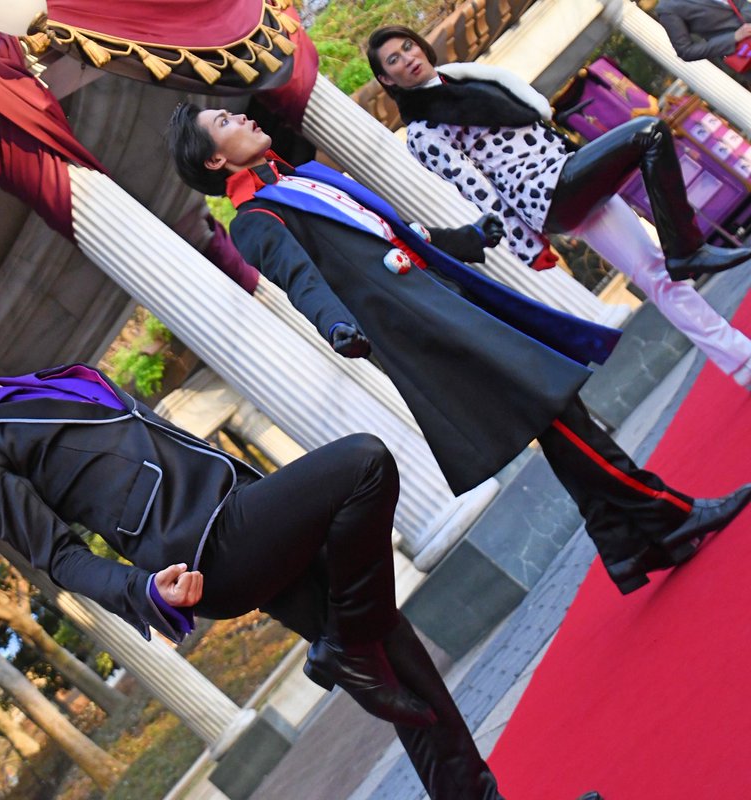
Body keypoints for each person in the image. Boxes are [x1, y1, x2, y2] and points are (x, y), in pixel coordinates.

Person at [0, 284, 524, 798]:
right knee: (364, 461)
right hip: (207, 552)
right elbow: (59, 558)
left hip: (240, 506)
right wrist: (141, 590)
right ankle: (346, 643)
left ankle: (422, 730)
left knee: (402, 671)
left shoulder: (44, 383)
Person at [166, 101, 751, 598]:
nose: (241, 117)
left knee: (552, 413)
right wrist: (336, 327)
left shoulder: (301, 177)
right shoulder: (255, 220)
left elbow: (392, 234)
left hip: (448, 304)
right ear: (215, 160)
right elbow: (304, 283)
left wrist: (464, 241)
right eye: (224, 122)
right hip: (422, 334)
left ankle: (626, 543)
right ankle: (666, 513)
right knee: (552, 410)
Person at [364, 25, 751, 389]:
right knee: (649, 133)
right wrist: (525, 244)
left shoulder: (464, 78)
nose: (407, 58)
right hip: (545, 193)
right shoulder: (421, 132)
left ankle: (740, 359)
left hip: (568, 170)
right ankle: (686, 249)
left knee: (654, 273)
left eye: (408, 46)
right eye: (394, 60)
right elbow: (476, 189)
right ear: (387, 79)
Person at [656, 0, 751, 88]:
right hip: (744, 52)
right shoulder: (667, 7)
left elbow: (742, 4)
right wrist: (734, 37)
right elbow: (685, 51)